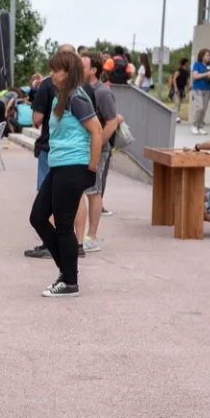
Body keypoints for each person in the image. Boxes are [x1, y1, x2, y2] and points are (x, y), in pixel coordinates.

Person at [28, 50, 103, 297]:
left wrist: (91, 167)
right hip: (59, 166)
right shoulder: (60, 97)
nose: (51, 74)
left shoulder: (76, 98)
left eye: (56, 70)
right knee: (38, 217)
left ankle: (70, 282)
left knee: (63, 225)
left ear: (69, 73)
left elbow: (97, 131)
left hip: (74, 166)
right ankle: (67, 270)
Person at [79, 53, 125, 253]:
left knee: (93, 190)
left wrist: (96, 147)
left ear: (93, 70)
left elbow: (112, 122)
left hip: (99, 149)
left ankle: (92, 237)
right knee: (85, 190)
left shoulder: (102, 92)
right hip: (83, 148)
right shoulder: (80, 89)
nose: (78, 69)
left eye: (82, 66)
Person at [189, 49, 210, 134]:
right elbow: (195, 76)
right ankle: (194, 125)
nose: (209, 57)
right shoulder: (197, 64)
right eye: (207, 55)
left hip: (207, 88)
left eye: (209, 55)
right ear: (202, 56)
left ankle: (201, 126)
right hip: (198, 88)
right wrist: (206, 74)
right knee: (200, 107)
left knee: (204, 108)